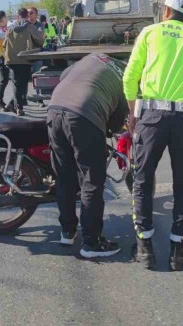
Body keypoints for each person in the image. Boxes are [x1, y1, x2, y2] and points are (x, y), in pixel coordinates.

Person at [122, 0, 183, 271]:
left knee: (142, 181)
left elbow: (130, 76)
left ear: (166, 11)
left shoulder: (150, 33)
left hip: (152, 117)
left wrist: (132, 113)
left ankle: (145, 248)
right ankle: (179, 251)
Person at [47, 52, 129, 258]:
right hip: (84, 114)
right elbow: (118, 120)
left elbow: (65, 75)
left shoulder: (94, 57)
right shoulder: (127, 76)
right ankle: (91, 242)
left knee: (64, 176)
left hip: (54, 110)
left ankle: (67, 231)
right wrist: (110, 129)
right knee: (92, 181)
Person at [3, 7, 44, 116]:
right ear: (27, 15)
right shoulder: (30, 27)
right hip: (25, 58)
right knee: (22, 83)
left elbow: (4, 44)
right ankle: (18, 107)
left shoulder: (10, 28)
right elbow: (39, 41)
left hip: (11, 60)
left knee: (16, 84)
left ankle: (14, 105)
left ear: (17, 16)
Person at [0, 11, 11, 111]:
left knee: (4, 79)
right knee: (3, 80)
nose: (7, 20)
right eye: (6, 18)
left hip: (4, 57)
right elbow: (5, 38)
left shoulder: (2, 28)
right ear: (2, 19)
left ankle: (0, 101)